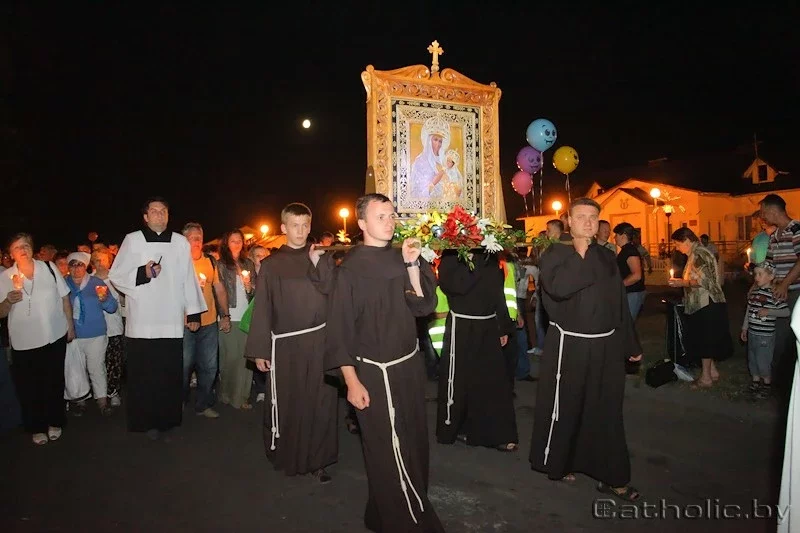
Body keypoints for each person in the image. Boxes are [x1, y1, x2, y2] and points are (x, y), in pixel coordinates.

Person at [325, 193, 445, 532]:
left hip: (408, 365)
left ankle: (383, 511)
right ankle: (407, 521)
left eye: (392, 215)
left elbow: (423, 309)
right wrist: (351, 381)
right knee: (386, 450)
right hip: (373, 373)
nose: (390, 221)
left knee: (414, 442)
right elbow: (340, 330)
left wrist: (411, 266)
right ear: (362, 223)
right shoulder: (348, 271)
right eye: (381, 216)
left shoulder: (405, 257)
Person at [530, 197, 642, 502]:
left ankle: (614, 476)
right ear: (569, 220)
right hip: (571, 346)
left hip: (606, 346)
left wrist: (630, 343)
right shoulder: (555, 254)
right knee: (568, 406)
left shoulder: (607, 257)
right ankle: (561, 461)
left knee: (606, 410)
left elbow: (618, 302)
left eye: (593, 217)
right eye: (581, 217)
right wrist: (579, 256)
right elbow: (558, 290)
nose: (588, 223)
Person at [245, 202, 339, 483]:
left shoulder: (322, 258)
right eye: (294, 226)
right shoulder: (272, 266)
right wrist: (260, 349)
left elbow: (333, 295)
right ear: (284, 228)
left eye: (305, 226)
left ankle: (319, 460)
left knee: (321, 402)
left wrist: (316, 264)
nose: (301, 231)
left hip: (321, 342)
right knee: (291, 402)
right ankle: (288, 453)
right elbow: (263, 307)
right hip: (286, 347)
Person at [109, 197, 207, 439]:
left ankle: (168, 418)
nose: (159, 215)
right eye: (154, 211)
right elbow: (117, 275)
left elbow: (187, 278)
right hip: (142, 321)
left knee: (168, 374)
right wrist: (143, 272)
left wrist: (192, 311)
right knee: (144, 375)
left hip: (171, 320)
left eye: (163, 211)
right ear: (145, 216)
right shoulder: (133, 240)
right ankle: (144, 420)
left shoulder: (180, 242)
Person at [436, 249, 518, 450]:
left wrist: (503, 326)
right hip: (462, 326)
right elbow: (458, 286)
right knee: (460, 381)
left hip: (488, 325)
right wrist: (470, 261)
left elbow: (497, 293)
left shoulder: (489, 258)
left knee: (493, 380)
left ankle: (497, 433)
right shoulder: (449, 259)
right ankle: (454, 429)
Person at [0, 233, 74, 445]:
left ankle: (55, 422)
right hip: (25, 340)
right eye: (17, 247)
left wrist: (70, 326)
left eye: (25, 245)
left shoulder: (48, 269)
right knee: (30, 386)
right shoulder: (5, 277)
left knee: (54, 381)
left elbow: (64, 297)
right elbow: (1, 312)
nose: (22, 250)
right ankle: (36, 425)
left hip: (54, 335)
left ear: (32, 248)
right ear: (11, 254)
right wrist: (7, 301)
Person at [668, 227, 731, 387]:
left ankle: (706, 378)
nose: (677, 247)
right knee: (705, 339)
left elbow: (706, 281)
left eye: (677, 243)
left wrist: (683, 282)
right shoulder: (695, 254)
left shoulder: (699, 254)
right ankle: (712, 372)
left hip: (706, 303)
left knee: (704, 341)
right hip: (702, 304)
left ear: (687, 240)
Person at [182, 223, 229, 419]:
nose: (197, 241)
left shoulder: (210, 261)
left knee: (209, 366)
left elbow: (218, 288)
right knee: (184, 365)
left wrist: (225, 315)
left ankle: (203, 404)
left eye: (199, 237)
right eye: (192, 237)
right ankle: (180, 400)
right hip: (184, 324)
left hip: (209, 322)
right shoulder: (179, 262)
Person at [64, 251, 118, 416]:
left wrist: (105, 300)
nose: (76, 268)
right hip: (73, 334)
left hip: (96, 333)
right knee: (75, 369)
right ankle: (80, 400)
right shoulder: (64, 284)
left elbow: (112, 307)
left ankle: (102, 401)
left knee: (96, 368)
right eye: (72, 265)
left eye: (79, 264)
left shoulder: (96, 282)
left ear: (86, 266)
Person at [741, 261, 789, 399]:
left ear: (771, 276)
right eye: (755, 274)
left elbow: (786, 312)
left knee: (763, 360)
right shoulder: (754, 293)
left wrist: (769, 311)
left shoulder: (774, 294)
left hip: (765, 336)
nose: (756, 277)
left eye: (760, 274)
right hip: (753, 333)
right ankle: (755, 382)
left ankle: (767, 384)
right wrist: (745, 328)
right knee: (753, 359)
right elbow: (749, 311)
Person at [410, 115, 450, 199]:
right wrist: (434, 183)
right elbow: (417, 190)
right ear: (429, 141)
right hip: (427, 206)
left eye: (440, 141)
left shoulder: (444, 161)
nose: (438, 144)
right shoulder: (420, 161)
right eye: (435, 140)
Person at [613, 222, 647, 321]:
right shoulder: (626, 250)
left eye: (616, 235)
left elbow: (636, 275)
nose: (615, 238)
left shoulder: (630, 251)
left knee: (627, 324)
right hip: (630, 293)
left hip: (633, 293)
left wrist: (619, 285)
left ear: (623, 236)